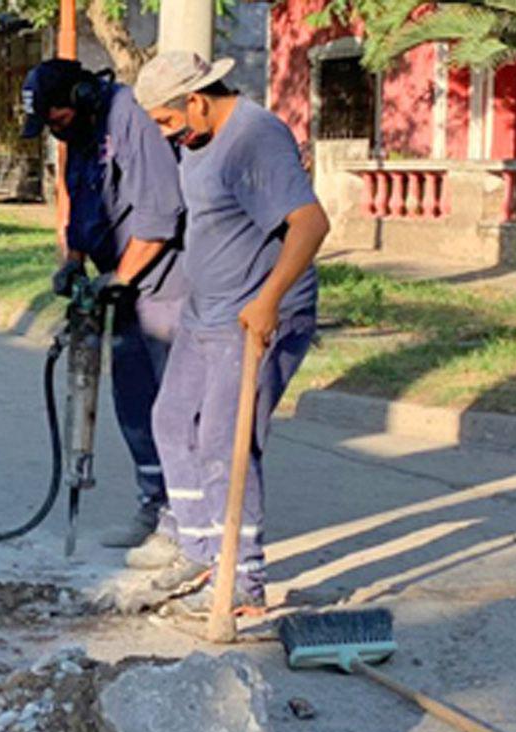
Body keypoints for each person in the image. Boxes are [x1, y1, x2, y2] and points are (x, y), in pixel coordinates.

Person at [132, 51, 331, 613]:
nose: (166, 136)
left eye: (167, 122)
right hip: (206, 314)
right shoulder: (196, 143)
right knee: (170, 420)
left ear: (196, 101)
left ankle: (242, 582)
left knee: (226, 443)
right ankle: (199, 551)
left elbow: (311, 223)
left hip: (259, 315)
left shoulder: (254, 138)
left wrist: (268, 301)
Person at [19, 58, 190, 554]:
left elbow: (160, 214)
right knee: (133, 398)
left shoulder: (129, 118)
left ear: (82, 97)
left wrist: (120, 277)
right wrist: (73, 260)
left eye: (58, 119)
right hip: (123, 283)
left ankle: (185, 521)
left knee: (172, 404)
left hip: (164, 281)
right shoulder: (78, 134)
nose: (55, 131)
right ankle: (153, 505)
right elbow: (80, 199)